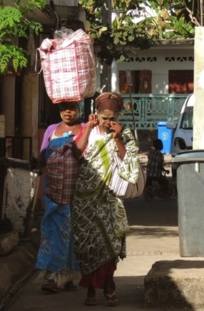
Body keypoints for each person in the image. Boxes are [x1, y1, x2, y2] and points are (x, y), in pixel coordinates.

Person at [70, 92, 141, 307]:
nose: (108, 121)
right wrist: (89, 129)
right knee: (87, 244)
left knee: (110, 243)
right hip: (85, 199)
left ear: (118, 116)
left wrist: (118, 138)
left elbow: (129, 161)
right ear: (96, 114)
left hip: (109, 197)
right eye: (104, 117)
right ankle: (91, 289)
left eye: (112, 117)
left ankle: (109, 284)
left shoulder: (124, 134)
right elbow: (75, 153)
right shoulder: (87, 131)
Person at [35, 101, 84, 293]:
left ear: (79, 109)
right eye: (64, 109)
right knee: (55, 231)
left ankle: (69, 274)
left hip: (76, 193)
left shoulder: (85, 129)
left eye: (72, 108)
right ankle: (54, 275)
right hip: (53, 191)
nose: (68, 112)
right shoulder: (51, 130)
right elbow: (42, 156)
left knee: (72, 234)